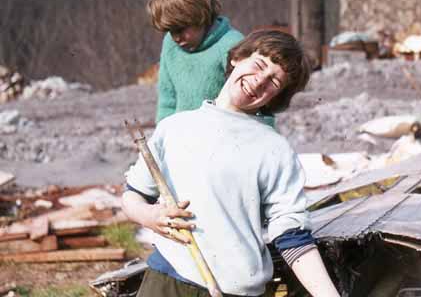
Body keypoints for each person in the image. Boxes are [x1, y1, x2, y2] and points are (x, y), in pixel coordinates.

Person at [122, 30, 340, 297]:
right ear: (237, 58)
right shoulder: (174, 128)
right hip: (167, 282)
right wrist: (149, 216)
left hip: (235, 291)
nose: (259, 81)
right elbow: (133, 195)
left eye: (273, 81)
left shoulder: (275, 150)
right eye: (259, 65)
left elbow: (292, 234)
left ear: (277, 97)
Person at [147, 0, 244, 123]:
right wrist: (164, 131)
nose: (176, 37)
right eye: (170, 31)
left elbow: (254, 103)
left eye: (180, 29)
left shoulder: (232, 45)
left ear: (201, 16)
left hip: (224, 130)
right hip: (182, 132)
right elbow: (167, 99)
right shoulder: (170, 44)